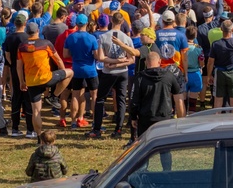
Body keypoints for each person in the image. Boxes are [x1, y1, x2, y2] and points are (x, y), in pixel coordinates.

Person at [17, 22, 73, 138]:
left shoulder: (22, 46)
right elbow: (58, 60)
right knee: (70, 72)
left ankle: (38, 136)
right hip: (46, 78)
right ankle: (54, 96)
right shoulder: (46, 43)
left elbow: (19, 66)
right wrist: (61, 75)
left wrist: (22, 81)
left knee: (36, 111)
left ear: (27, 32)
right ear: (38, 31)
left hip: (31, 82)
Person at [89, 11, 133, 139]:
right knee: (121, 100)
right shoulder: (126, 38)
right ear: (122, 22)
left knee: (100, 99)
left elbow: (101, 58)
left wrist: (113, 63)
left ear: (111, 21)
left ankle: (97, 129)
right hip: (122, 72)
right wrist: (119, 62)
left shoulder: (103, 37)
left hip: (109, 72)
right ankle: (118, 129)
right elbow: (130, 59)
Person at [130, 51, 181, 139]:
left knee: (145, 144)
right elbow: (178, 97)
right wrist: (180, 117)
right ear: (159, 61)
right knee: (164, 145)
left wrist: (133, 116)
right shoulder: (169, 76)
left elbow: (134, 100)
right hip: (164, 117)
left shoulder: (140, 77)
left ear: (146, 62)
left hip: (146, 117)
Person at [63, 13, 99, 128]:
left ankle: (73, 121)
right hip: (90, 69)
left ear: (76, 24)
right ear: (87, 24)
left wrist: (75, 55)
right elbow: (97, 56)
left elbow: (65, 54)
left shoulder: (70, 37)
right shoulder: (92, 38)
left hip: (76, 69)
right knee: (94, 96)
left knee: (75, 95)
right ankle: (95, 121)